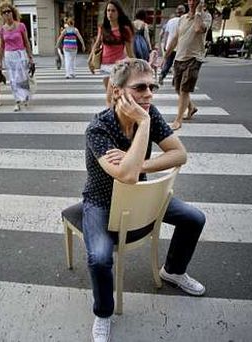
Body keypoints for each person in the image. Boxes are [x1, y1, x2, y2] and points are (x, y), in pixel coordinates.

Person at [83, 59, 206, 342]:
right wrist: (143, 124)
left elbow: (179, 154)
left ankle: (173, 271)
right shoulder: (98, 129)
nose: (149, 94)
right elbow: (124, 176)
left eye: (152, 86)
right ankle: (103, 313)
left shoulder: (149, 114)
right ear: (117, 91)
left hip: (141, 195)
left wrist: (138, 159)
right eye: (140, 87)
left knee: (194, 218)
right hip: (102, 201)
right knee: (100, 258)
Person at [163, 0, 212, 130]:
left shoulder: (205, 17)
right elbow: (175, 38)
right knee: (178, 88)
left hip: (194, 58)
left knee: (184, 89)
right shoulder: (182, 18)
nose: (192, 2)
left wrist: (197, 12)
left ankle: (178, 120)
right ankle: (191, 107)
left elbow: (198, 29)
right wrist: (165, 56)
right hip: (179, 57)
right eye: (190, 0)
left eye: (195, 0)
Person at [88, 0, 134, 108]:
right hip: (104, 65)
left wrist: (136, 65)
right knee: (111, 95)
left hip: (118, 67)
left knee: (115, 95)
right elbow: (97, 43)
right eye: (108, 10)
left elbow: (129, 51)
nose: (110, 13)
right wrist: (90, 60)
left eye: (113, 10)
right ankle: (115, 116)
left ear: (118, 13)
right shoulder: (103, 28)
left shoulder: (124, 29)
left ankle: (116, 116)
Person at [0, 2, 34, 112]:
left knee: (22, 78)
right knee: (13, 80)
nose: (7, 14)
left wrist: (30, 57)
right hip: (9, 56)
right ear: (2, 15)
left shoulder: (20, 26)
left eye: (9, 11)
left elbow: (26, 42)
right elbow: (1, 46)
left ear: (12, 13)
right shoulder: (2, 30)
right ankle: (17, 101)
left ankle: (26, 97)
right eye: (4, 12)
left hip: (20, 54)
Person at [159, 5, 186, 85]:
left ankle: (162, 75)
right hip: (180, 46)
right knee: (178, 64)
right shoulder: (184, 20)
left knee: (168, 63)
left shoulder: (170, 21)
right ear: (183, 12)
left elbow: (166, 34)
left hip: (169, 46)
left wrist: (165, 44)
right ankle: (175, 80)